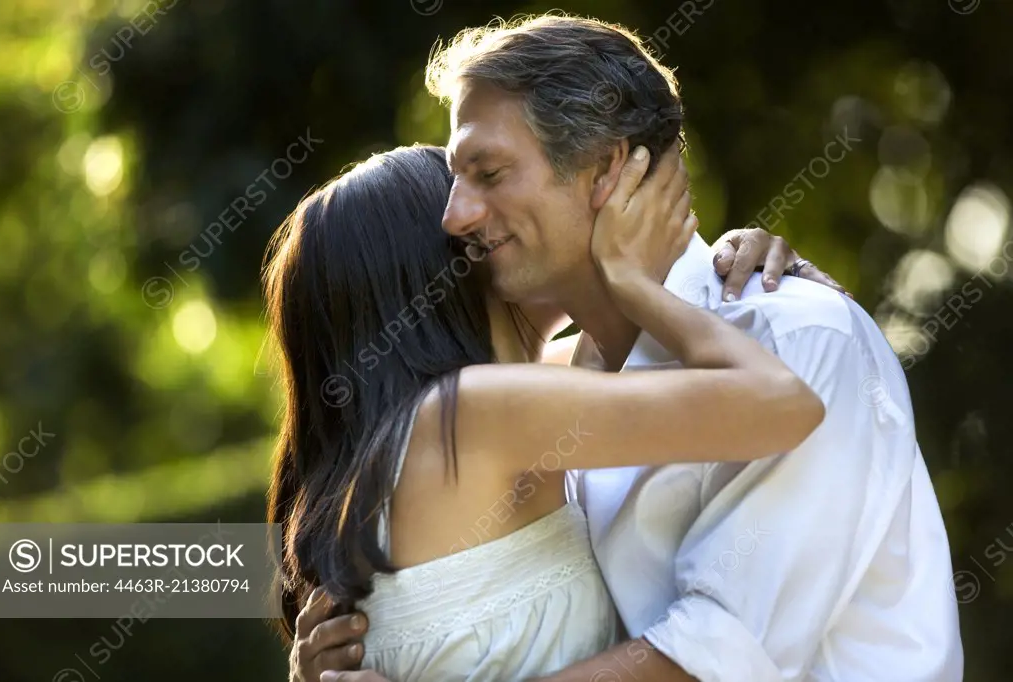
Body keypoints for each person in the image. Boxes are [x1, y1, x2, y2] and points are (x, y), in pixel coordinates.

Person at [299, 14, 962, 682]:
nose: (456, 216)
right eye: (454, 181)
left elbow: (717, 657)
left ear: (607, 170)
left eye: (490, 173)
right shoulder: (558, 386)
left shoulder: (794, 337)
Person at [264, 139, 834, 681]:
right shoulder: (471, 413)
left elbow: (610, 355)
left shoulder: (450, 425)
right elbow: (784, 405)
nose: (504, 216)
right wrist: (637, 285)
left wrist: (740, 275)